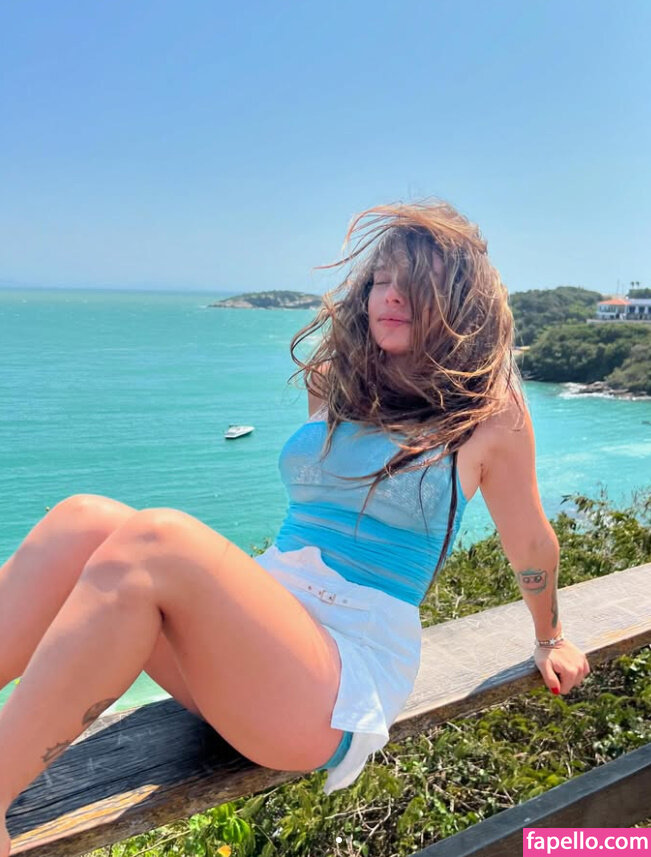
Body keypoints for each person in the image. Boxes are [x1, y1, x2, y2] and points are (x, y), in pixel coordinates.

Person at [0, 200, 590, 853]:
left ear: (457, 302)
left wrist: (550, 637)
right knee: (82, 520)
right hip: (251, 647)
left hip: (335, 677)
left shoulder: (488, 413)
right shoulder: (336, 379)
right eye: (381, 281)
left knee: (157, 541)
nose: (391, 297)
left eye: (414, 285)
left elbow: (529, 540)